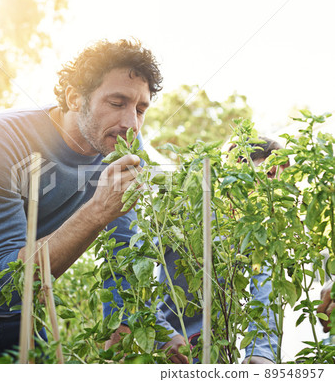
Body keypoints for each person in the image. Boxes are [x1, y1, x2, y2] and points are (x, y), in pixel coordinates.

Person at [0, 38, 163, 363]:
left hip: (28, 309)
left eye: (140, 109)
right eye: (117, 102)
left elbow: (124, 253)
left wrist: (125, 329)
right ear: (74, 97)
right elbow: (3, 283)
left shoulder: (124, 150)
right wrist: (96, 212)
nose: (131, 124)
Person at [104, 137, 289, 363]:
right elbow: (134, 274)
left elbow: (264, 289)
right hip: (172, 349)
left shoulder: (258, 228)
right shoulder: (185, 209)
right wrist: (164, 335)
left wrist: (260, 352)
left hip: (221, 349)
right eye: (270, 173)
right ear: (239, 164)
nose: (277, 184)